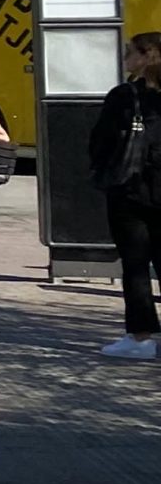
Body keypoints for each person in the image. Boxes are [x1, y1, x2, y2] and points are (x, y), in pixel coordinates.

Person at [91, 31, 161, 359]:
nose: (125, 58)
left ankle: (141, 337)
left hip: (131, 191)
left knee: (135, 265)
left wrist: (104, 173)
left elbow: (100, 142)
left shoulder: (124, 95)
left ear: (146, 56)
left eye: (130, 52)